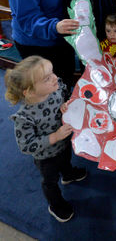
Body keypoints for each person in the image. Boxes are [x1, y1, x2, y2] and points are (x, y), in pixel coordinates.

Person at [5, 56, 87, 223]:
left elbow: (66, 93)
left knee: (66, 159)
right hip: (46, 157)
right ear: (29, 91)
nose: (55, 78)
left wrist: (66, 104)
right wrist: (55, 136)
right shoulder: (24, 117)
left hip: (64, 144)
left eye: (52, 73)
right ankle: (55, 205)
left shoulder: (55, 89)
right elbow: (26, 145)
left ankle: (68, 174)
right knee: (50, 182)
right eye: (47, 78)